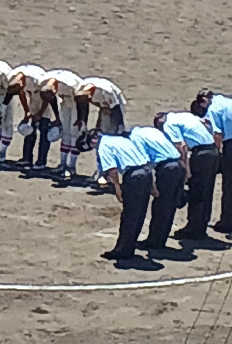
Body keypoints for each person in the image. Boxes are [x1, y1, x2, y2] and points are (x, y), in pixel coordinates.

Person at [87, 128, 152, 260]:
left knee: (130, 215)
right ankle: (130, 246)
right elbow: (146, 162)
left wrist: (117, 189)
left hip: (134, 177)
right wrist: (153, 186)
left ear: (94, 141)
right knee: (139, 214)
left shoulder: (103, 146)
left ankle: (123, 250)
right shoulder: (122, 140)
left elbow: (112, 170)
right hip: (146, 174)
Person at [155, 110, 219, 240]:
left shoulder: (168, 124)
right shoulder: (183, 116)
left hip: (201, 155)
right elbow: (206, 124)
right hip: (212, 151)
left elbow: (182, 147)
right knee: (206, 192)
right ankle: (200, 226)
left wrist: (186, 172)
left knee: (197, 192)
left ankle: (194, 229)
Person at [129, 125, 186, 250]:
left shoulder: (135, 138)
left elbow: (145, 162)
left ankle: (154, 242)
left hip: (168, 169)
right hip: (178, 165)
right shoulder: (151, 131)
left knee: (161, 206)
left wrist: (152, 187)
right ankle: (160, 239)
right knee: (170, 206)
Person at [192, 90, 232, 233]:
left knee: (229, 185)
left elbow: (217, 134)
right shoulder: (223, 99)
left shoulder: (213, 109)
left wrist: (216, 155)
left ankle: (228, 222)